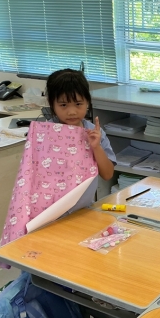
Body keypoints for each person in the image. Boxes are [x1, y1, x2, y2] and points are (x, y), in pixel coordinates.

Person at [45, 68, 116, 214]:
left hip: (83, 209)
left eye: (78, 104)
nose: (72, 112)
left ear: (87, 102)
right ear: (52, 104)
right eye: (63, 105)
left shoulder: (95, 133)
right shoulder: (45, 134)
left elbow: (108, 174)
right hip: (49, 212)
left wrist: (96, 147)